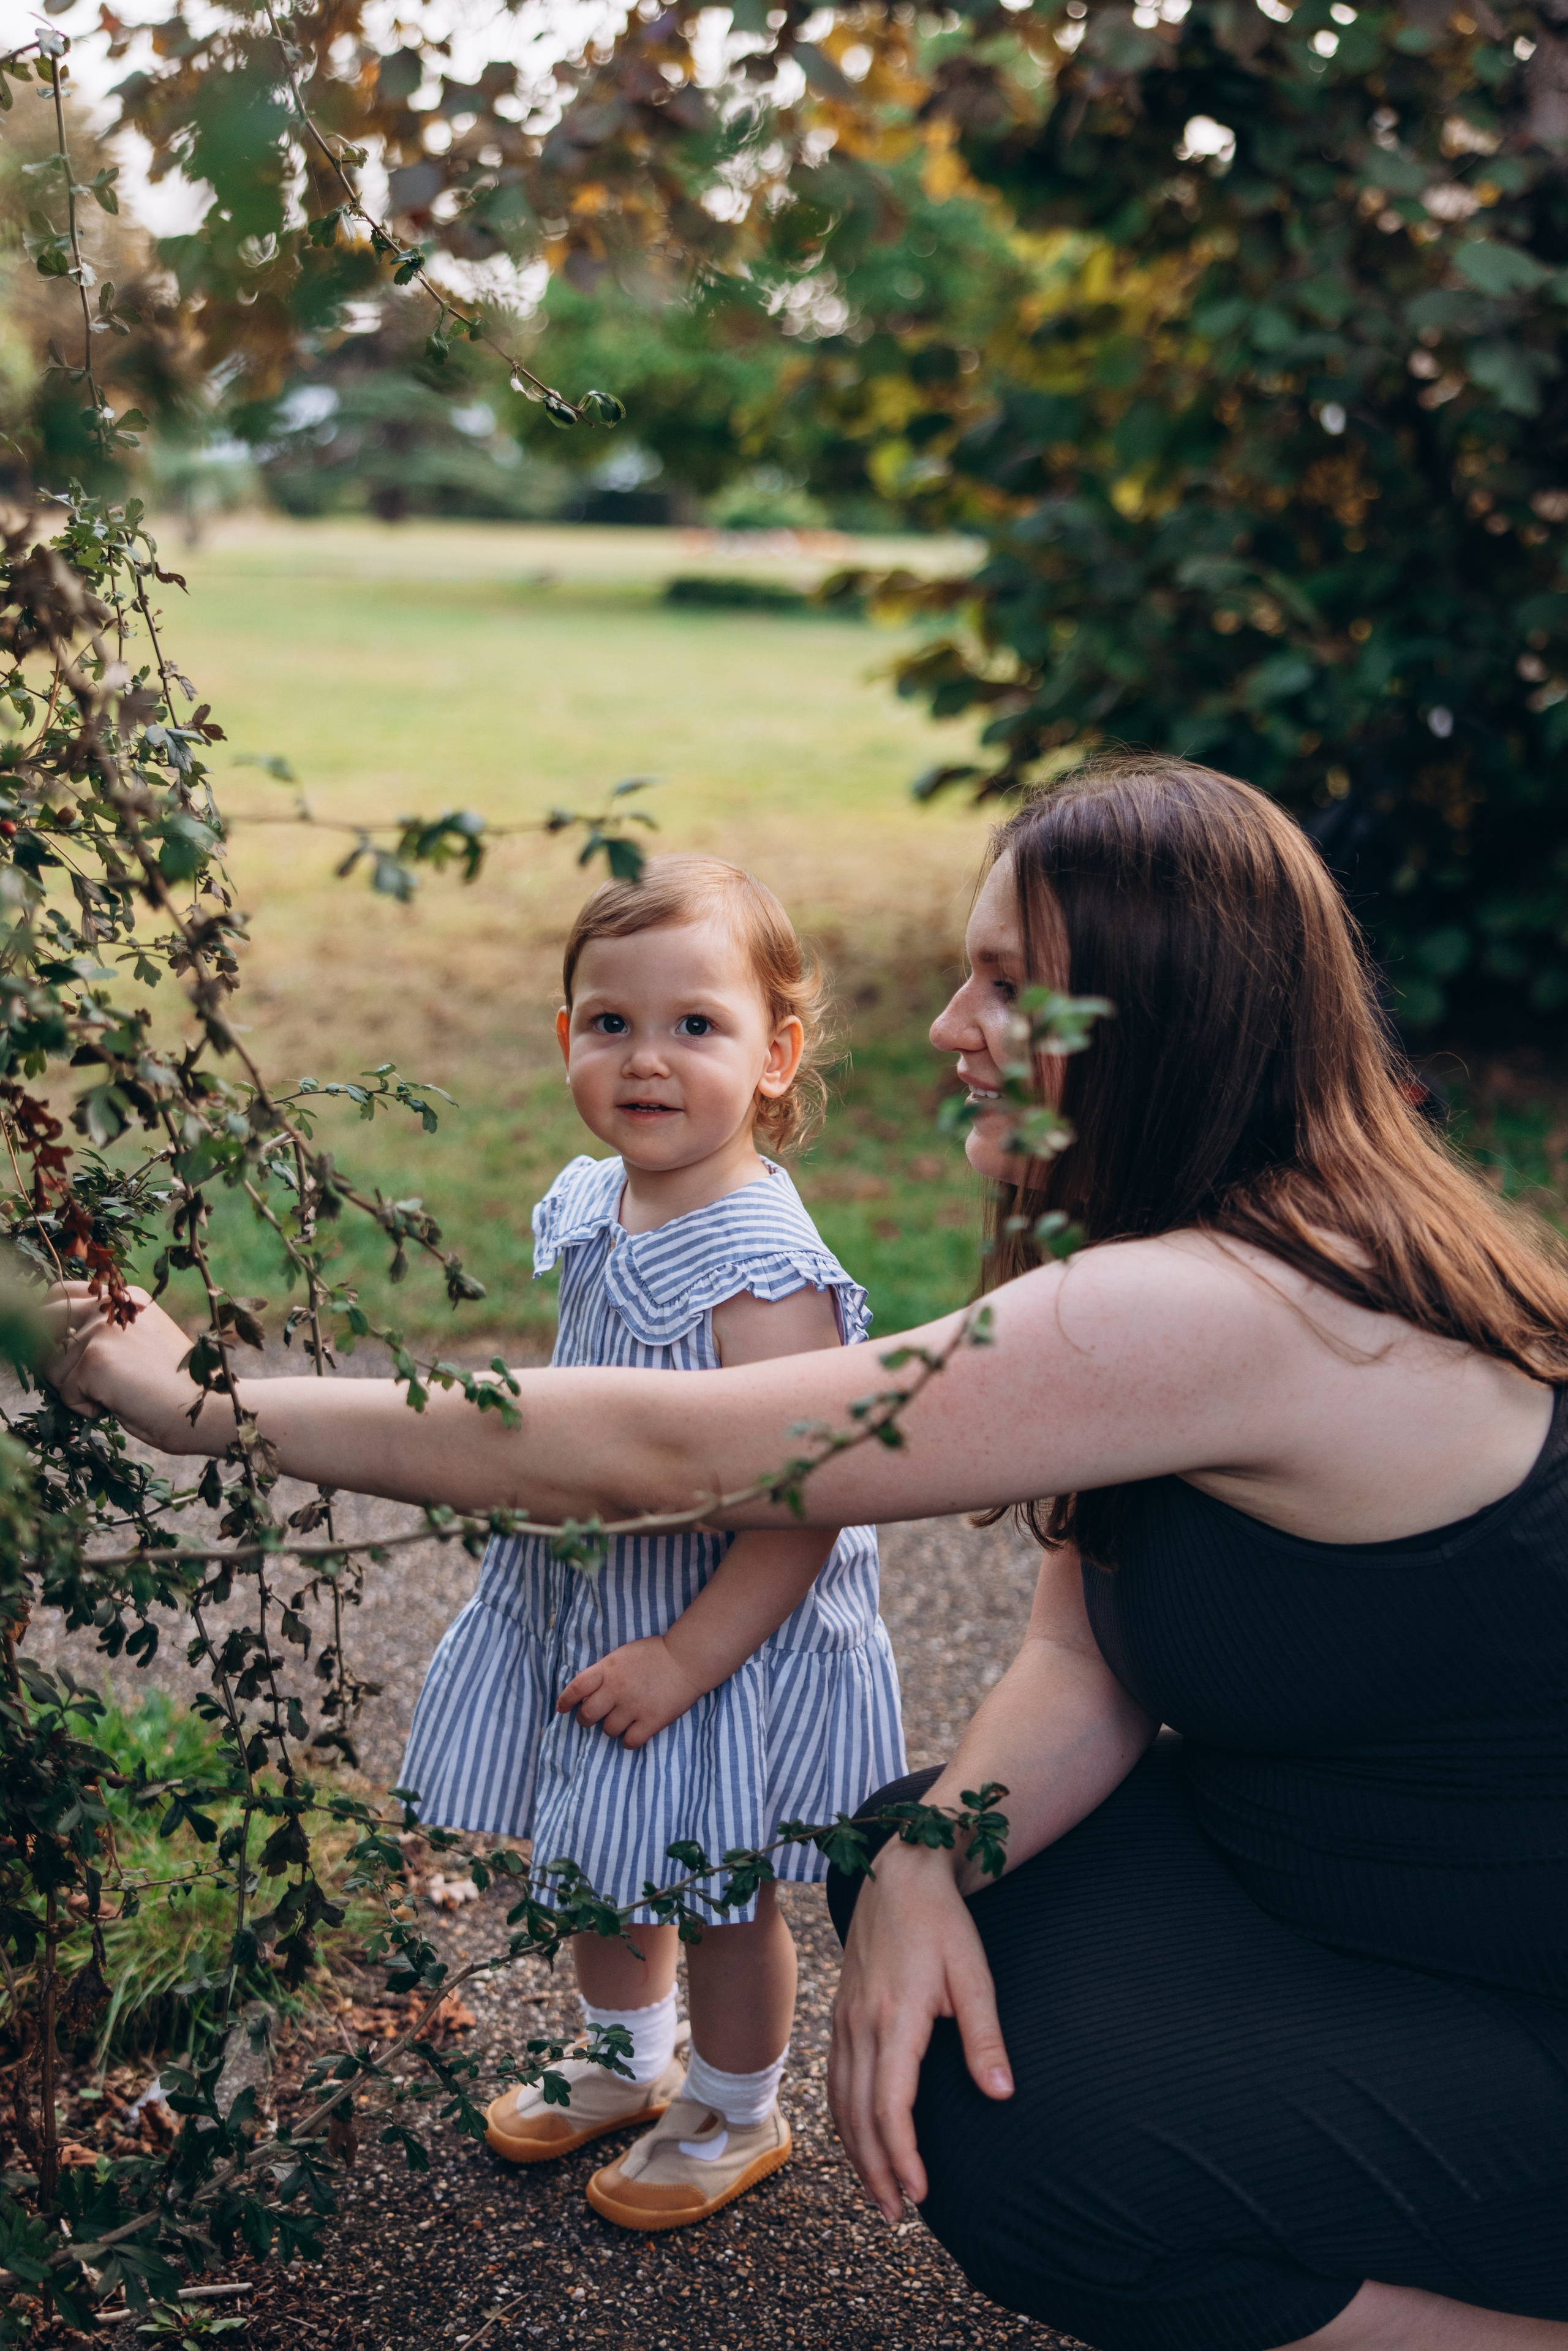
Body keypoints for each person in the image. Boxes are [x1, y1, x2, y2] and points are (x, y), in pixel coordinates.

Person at [47, 758, 1568, 2350]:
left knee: (1017, 2149)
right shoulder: (1232, 1234)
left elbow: (678, 1448)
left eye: (1004, 984)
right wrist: (921, 1858)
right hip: (1367, 1900)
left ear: (1152, 1014)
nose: (946, 1028)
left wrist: (201, 1404)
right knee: (906, 1857)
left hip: (1514, 1981)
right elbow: (1076, 1652)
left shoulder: (1225, 1299)